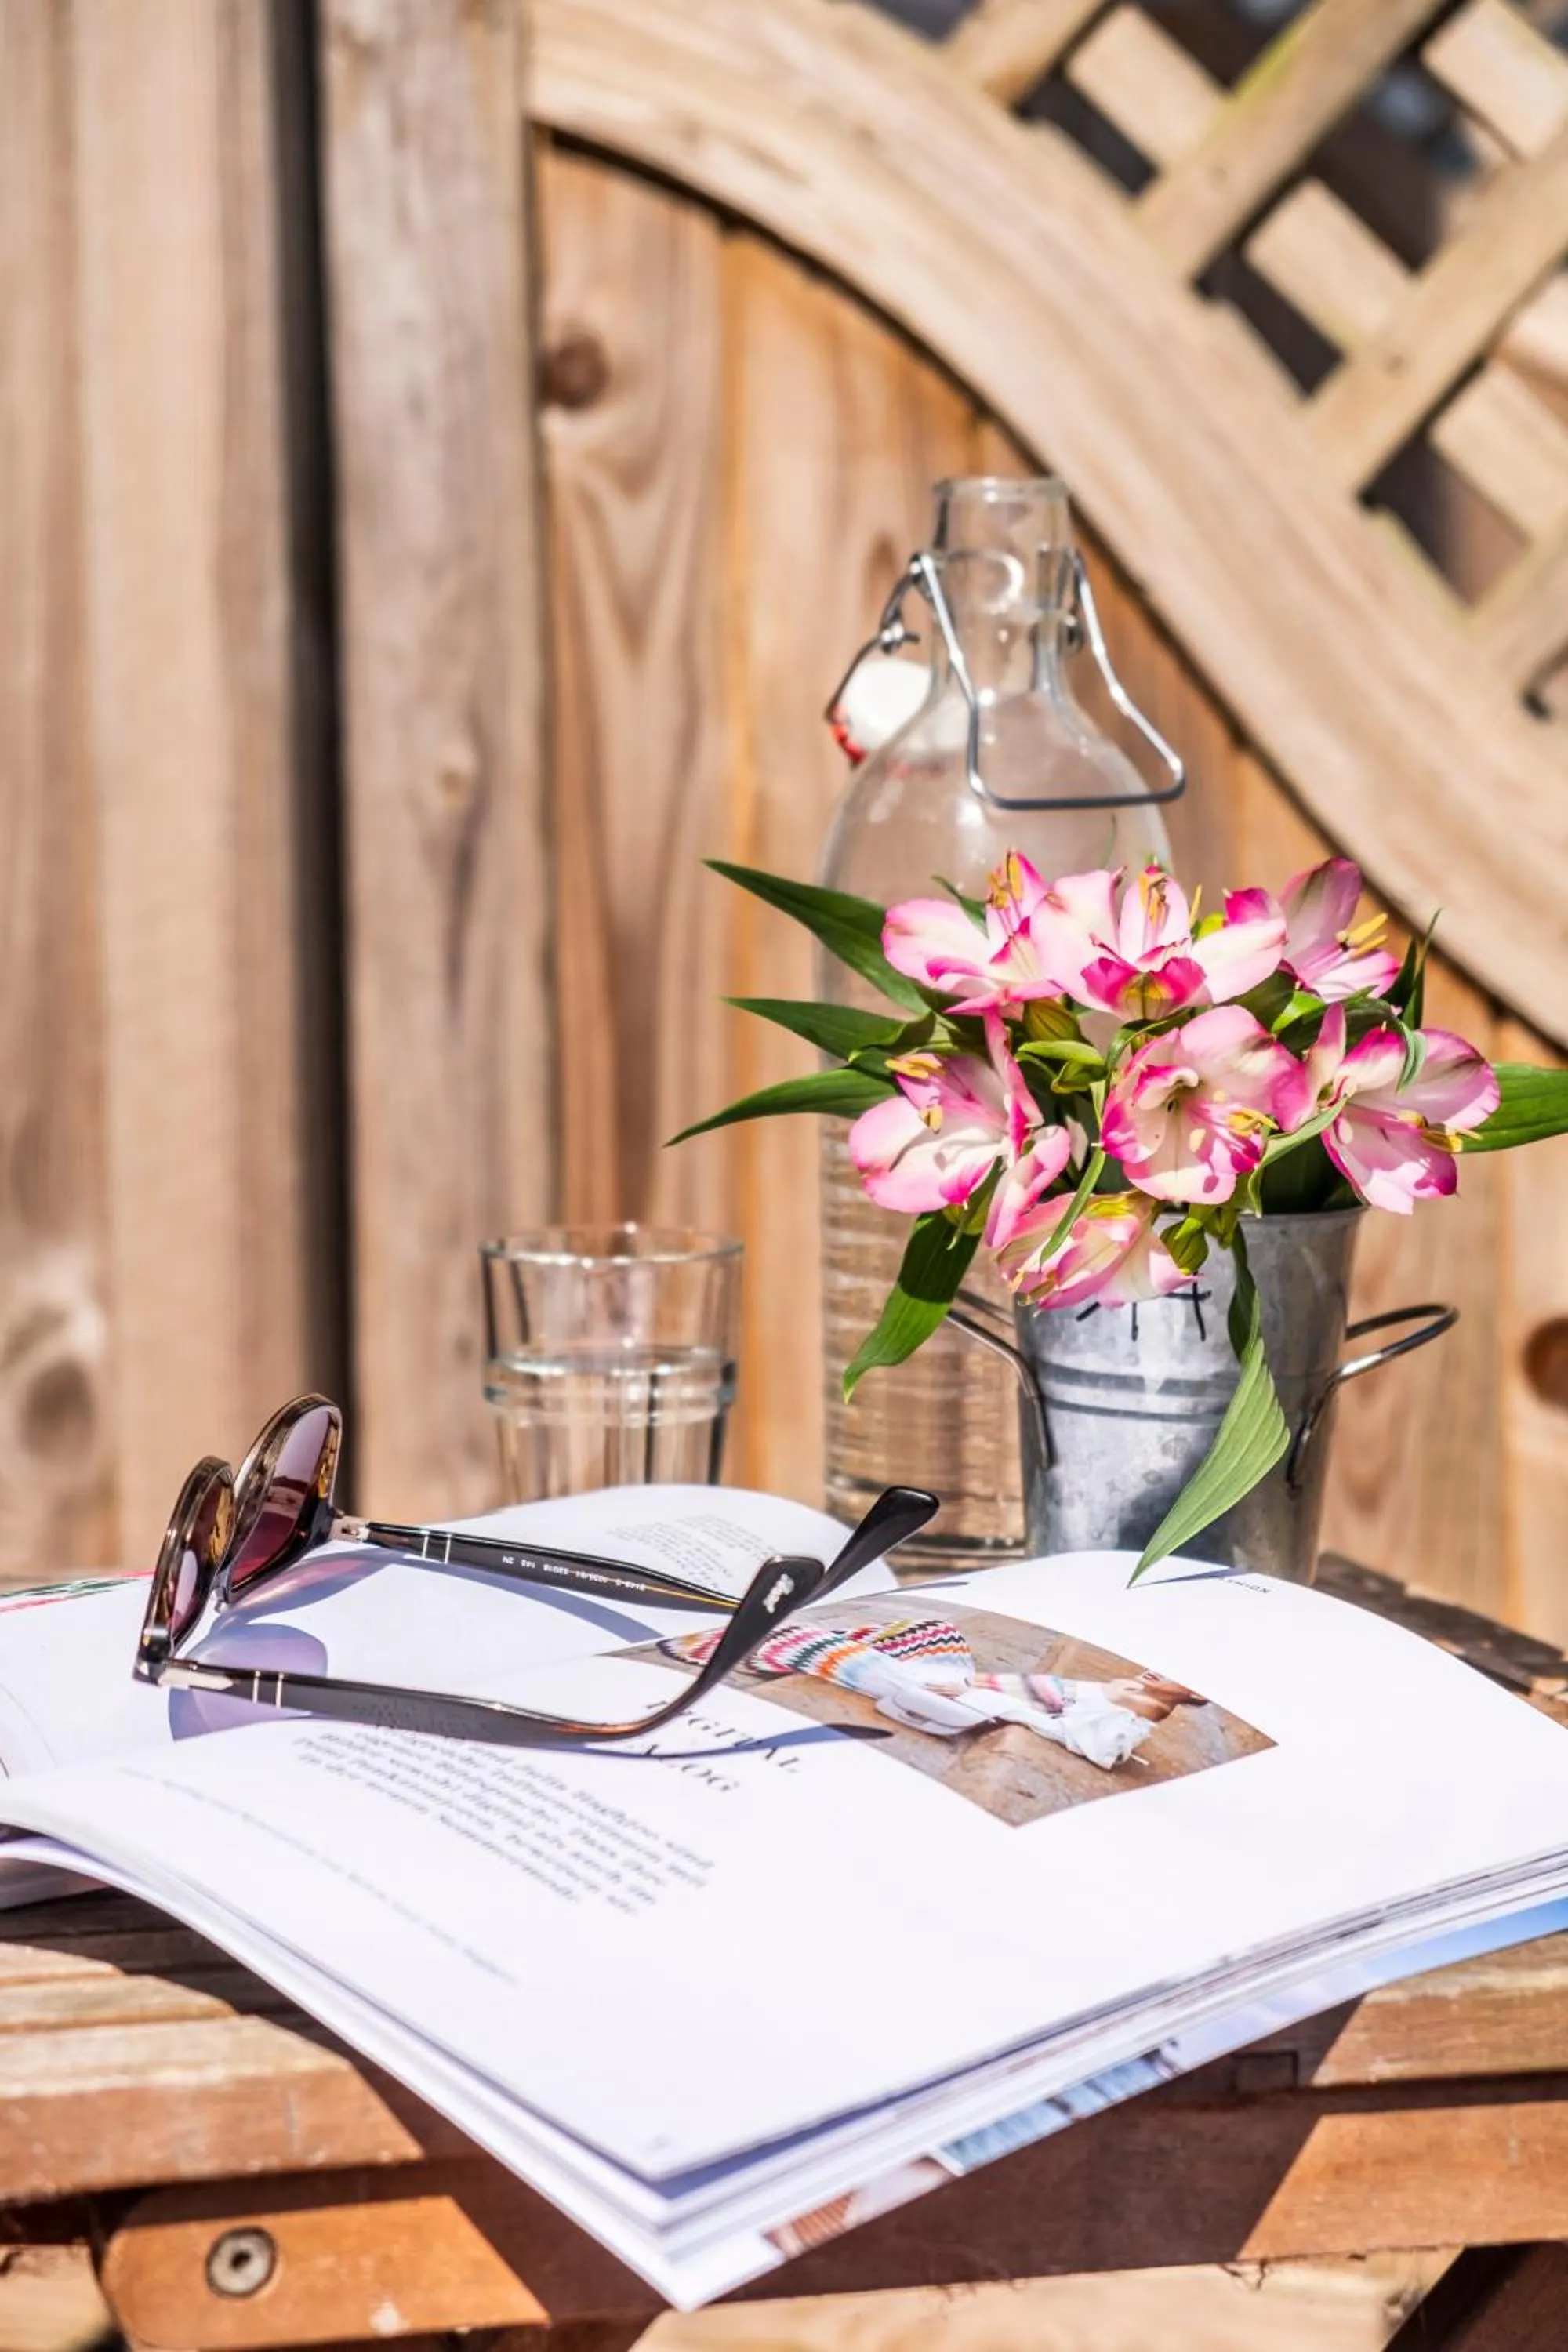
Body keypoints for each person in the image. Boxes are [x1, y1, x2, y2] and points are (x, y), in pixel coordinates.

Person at [659, 1618, 1207, 1769]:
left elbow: (1046, 1694)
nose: (1155, 1673)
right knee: (934, 1635)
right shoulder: (1131, 1703)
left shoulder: (1129, 1703)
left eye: (1168, 1679)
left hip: (956, 1698)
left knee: (835, 1650)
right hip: (969, 1695)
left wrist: (972, 1686)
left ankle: (733, 1647)